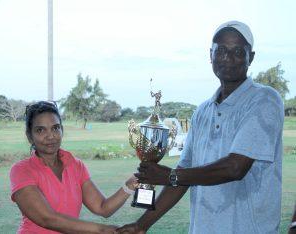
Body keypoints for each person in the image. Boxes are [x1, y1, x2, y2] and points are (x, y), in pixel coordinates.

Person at [117, 20, 284, 234]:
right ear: (211, 55)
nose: (228, 58)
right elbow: (183, 175)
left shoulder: (264, 99)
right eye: (221, 50)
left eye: (238, 52)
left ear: (251, 57)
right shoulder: (203, 111)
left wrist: (171, 176)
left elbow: (236, 167)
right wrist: (141, 225)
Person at [10, 101, 137, 234]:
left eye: (55, 128)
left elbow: (102, 207)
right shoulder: (22, 170)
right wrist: (103, 230)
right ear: (30, 136)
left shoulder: (76, 165)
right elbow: (47, 219)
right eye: (40, 130)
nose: (50, 136)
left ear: (62, 130)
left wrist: (130, 184)